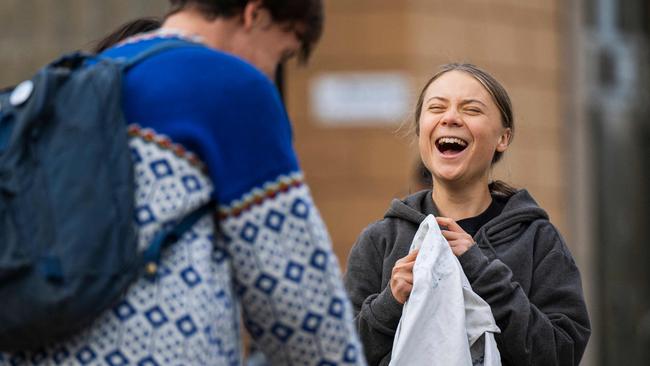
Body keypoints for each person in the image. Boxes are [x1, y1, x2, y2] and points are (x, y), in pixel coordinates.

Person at [1, 1, 366, 365]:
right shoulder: (231, 85)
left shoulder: (88, 74)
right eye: (282, 53)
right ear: (254, 14)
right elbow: (296, 294)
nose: (272, 75)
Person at [343, 63, 591, 366]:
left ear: (503, 138)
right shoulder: (380, 240)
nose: (450, 118)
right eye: (436, 108)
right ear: (421, 130)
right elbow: (339, 353)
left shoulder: (538, 239)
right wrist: (389, 304)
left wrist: (483, 274)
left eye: (471, 110)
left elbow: (561, 354)